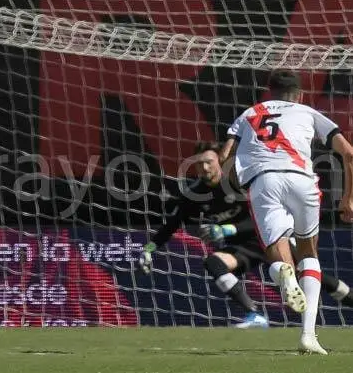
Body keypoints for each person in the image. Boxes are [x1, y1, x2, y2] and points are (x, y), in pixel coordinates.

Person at [140, 141, 353, 330]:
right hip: (241, 248)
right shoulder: (193, 194)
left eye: (209, 162)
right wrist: (149, 249)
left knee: (312, 277)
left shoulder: (239, 183)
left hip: (270, 240)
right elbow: (170, 226)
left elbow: (261, 218)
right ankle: (255, 315)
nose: (205, 168)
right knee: (213, 262)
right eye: (199, 164)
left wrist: (226, 229)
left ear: (220, 162)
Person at [221, 69, 353, 354]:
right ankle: (308, 335)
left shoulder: (250, 113)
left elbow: (225, 155)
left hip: (264, 181)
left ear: (269, 92)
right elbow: (349, 153)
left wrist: (232, 181)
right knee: (309, 253)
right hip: (302, 181)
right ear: (300, 94)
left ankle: (283, 273)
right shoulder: (308, 112)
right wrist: (348, 198)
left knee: (275, 253)